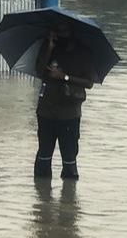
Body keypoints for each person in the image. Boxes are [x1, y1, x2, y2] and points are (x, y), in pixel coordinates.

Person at [34, 23, 96, 180]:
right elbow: (39, 71)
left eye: (63, 32)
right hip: (46, 111)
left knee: (69, 161)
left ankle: (69, 192)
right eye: (57, 32)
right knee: (43, 158)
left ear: (72, 32)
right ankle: (41, 192)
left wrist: (65, 77)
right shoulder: (49, 47)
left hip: (69, 113)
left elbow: (89, 83)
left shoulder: (83, 53)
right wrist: (49, 47)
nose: (60, 35)